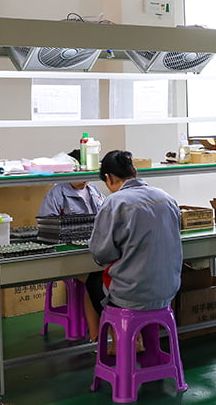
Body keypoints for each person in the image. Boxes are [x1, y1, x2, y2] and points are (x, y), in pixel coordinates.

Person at [87, 150, 183, 348]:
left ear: (108, 178)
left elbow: (101, 254)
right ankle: (142, 341)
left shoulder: (115, 203)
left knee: (93, 282)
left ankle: (121, 343)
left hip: (133, 294)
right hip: (168, 291)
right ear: (135, 172)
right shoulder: (166, 198)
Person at [38, 148, 105, 340]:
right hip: (70, 256)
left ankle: (98, 333)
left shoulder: (94, 191)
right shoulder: (57, 193)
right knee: (96, 280)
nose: (85, 178)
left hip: (93, 251)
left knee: (102, 277)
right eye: (80, 172)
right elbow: (46, 224)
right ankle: (97, 335)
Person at [37, 149, 105, 217]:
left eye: (87, 171)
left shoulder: (94, 190)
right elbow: (47, 223)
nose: (85, 180)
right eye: (80, 172)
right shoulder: (56, 194)